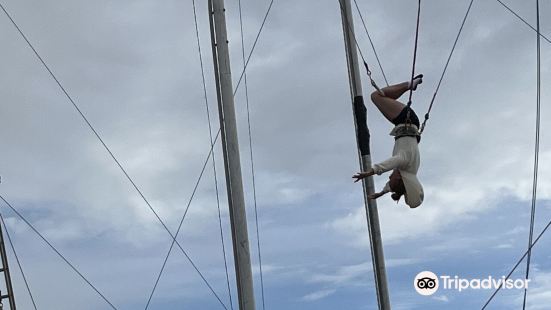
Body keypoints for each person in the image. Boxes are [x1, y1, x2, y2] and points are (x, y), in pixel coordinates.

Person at [352, 75, 424, 208]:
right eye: (391, 178)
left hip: (406, 124)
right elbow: (390, 163)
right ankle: (409, 84)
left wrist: (381, 193)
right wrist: (371, 172)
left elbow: (392, 186)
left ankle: (409, 85)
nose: (389, 178)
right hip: (406, 120)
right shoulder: (405, 162)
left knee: (383, 98)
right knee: (376, 97)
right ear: (400, 179)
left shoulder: (408, 172)